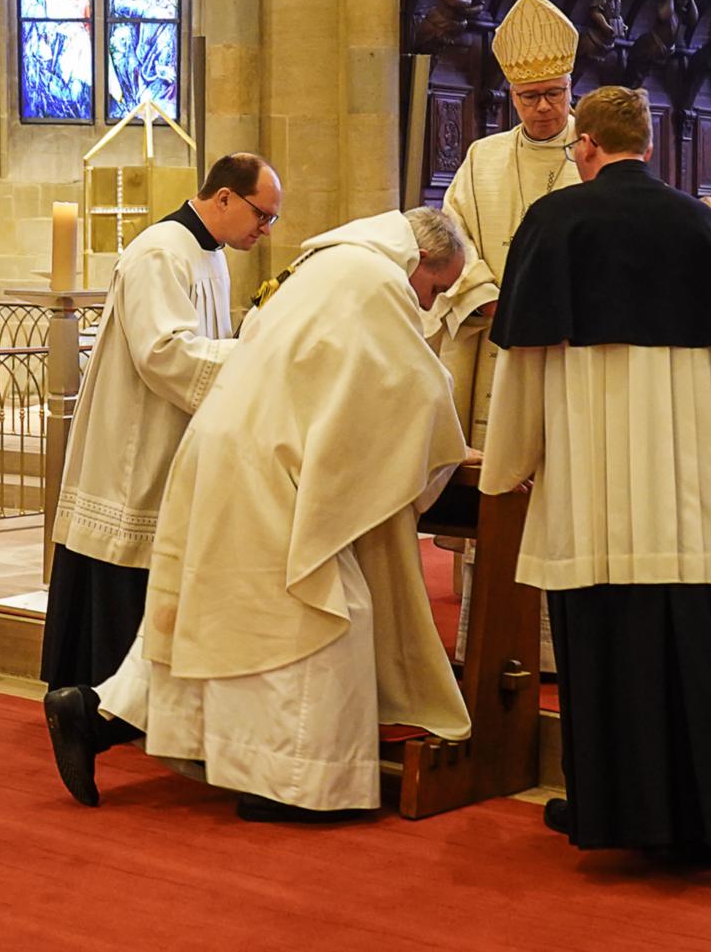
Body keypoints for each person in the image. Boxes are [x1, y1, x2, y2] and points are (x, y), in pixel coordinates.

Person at [44, 208, 475, 821]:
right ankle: (289, 787)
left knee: (214, 621)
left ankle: (93, 715)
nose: (429, 303)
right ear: (421, 260)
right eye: (435, 289)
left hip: (229, 448)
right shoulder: (374, 279)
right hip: (263, 469)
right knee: (315, 622)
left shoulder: (330, 265)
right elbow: (417, 386)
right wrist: (452, 447)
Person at [483, 86, 711, 868]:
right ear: (647, 143)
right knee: (699, 644)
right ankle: (710, 818)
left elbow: (524, 360)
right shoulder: (698, 223)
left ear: (584, 144)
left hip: (596, 485)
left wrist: (507, 466)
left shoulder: (554, 222)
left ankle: (613, 810)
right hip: (688, 491)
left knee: (606, 649)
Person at [42, 153, 282, 706]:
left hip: (176, 433)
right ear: (224, 197)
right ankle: (98, 695)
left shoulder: (209, 255)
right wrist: (258, 353)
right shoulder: (158, 252)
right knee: (128, 555)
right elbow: (164, 353)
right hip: (137, 440)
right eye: (261, 215)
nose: (265, 231)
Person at [427, 0, 584, 449]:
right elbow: (451, 239)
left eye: (553, 93)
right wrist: (491, 302)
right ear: (512, 95)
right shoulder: (483, 157)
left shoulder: (595, 156)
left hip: (566, 337)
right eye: (529, 96)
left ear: (571, 87)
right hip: (493, 327)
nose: (542, 107)